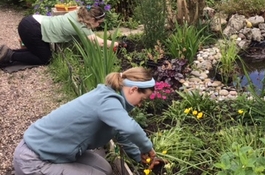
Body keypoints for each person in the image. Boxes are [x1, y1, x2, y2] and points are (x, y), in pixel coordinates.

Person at [13, 67, 165, 175]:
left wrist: (139, 156)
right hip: (33, 159)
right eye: (142, 99)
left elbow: (122, 134)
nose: (140, 105)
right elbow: (130, 129)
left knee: (105, 169)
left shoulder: (111, 100)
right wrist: (147, 148)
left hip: (56, 152)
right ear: (133, 89)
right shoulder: (107, 100)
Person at [0, 5, 118, 66]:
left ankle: (6, 51)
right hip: (32, 29)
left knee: (41, 52)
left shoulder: (78, 12)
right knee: (45, 59)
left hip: (31, 21)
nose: (98, 25)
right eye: (98, 23)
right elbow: (99, 42)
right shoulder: (81, 27)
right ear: (92, 19)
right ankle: (11, 55)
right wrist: (118, 44)